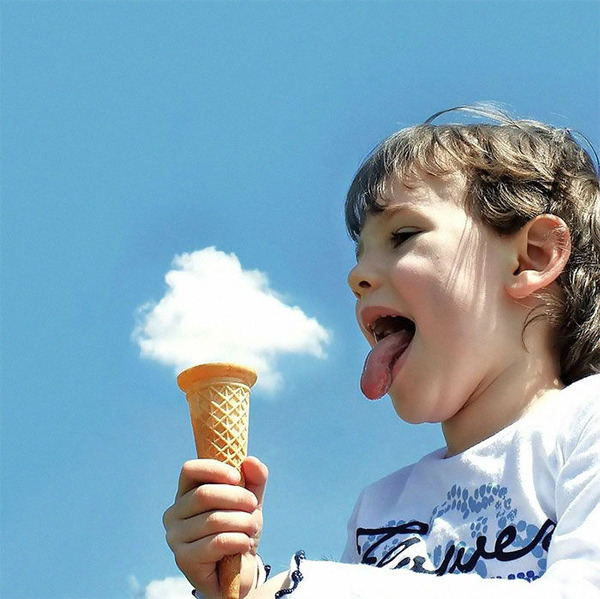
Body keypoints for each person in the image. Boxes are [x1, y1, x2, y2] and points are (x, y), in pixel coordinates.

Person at [163, 105, 600, 598]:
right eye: (359, 255)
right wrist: (239, 585)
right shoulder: (380, 509)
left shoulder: (587, 423)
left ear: (532, 257)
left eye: (403, 236)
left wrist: (311, 590)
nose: (357, 277)